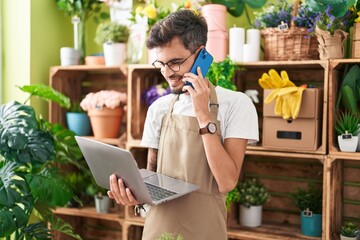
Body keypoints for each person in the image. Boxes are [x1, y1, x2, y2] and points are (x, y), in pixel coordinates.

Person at [108, 9, 259, 239]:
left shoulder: (237, 104)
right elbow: (152, 177)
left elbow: (227, 182)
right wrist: (135, 195)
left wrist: (204, 116)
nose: (168, 73)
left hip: (205, 231)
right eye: (161, 64)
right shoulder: (158, 109)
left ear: (201, 55)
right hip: (157, 230)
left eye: (176, 62)